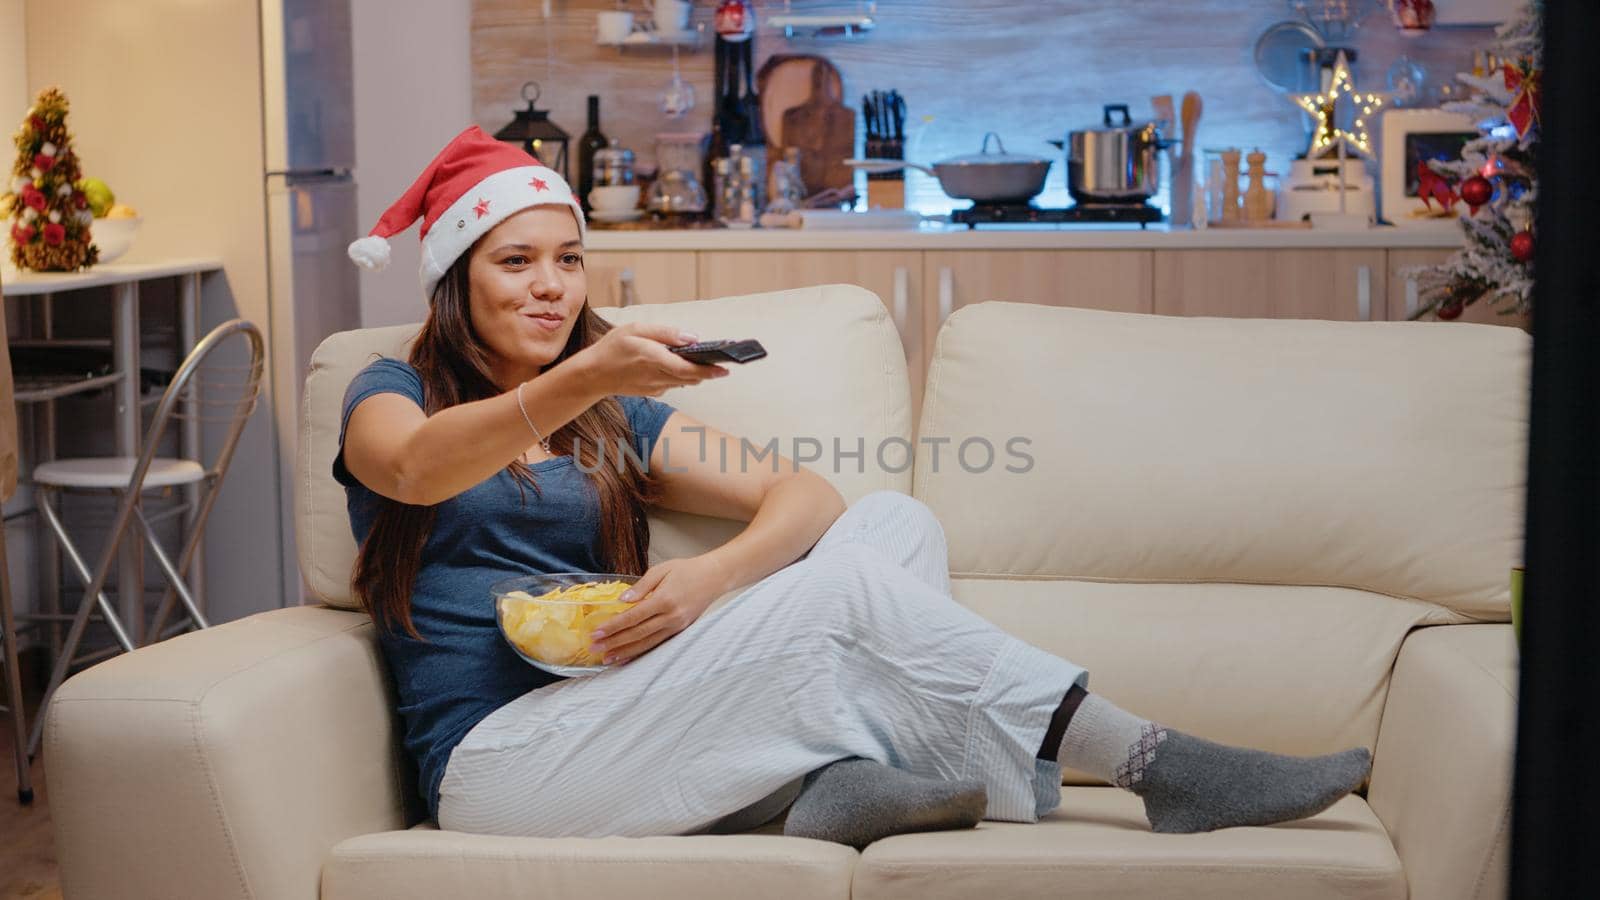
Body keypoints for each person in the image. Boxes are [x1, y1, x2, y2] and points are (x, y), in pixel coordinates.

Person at [336, 126, 1371, 848]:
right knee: (841, 595)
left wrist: (711, 582)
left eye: (568, 258)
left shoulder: (617, 413)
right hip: (501, 766)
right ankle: (1156, 764)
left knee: (890, 522)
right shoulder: (392, 392)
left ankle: (815, 792)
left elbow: (805, 498)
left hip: (623, 716)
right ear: (457, 277)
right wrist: (588, 373)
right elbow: (418, 466)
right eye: (517, 261)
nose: (553, 286)